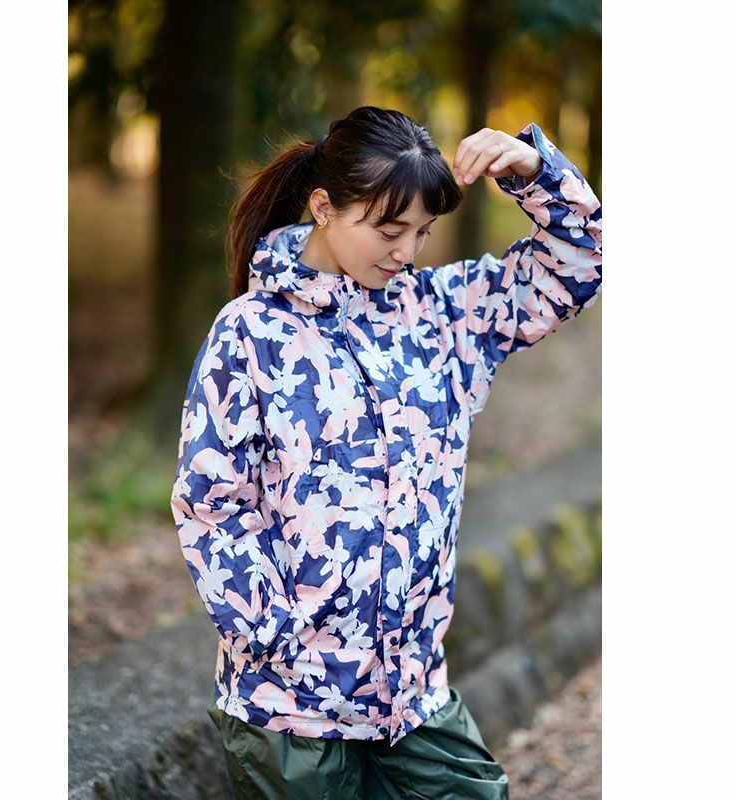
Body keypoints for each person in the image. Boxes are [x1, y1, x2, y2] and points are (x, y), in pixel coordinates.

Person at [169, 105, 602, 799]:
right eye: (389, 230)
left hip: (412, 696)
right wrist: (276, 638)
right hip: (292, 706)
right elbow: (211, 501)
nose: (407, 252)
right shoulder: (250, 335)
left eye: (422, 232)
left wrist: (537, 173)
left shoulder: (442, 314)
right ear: (324, 208)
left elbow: (578, 264)